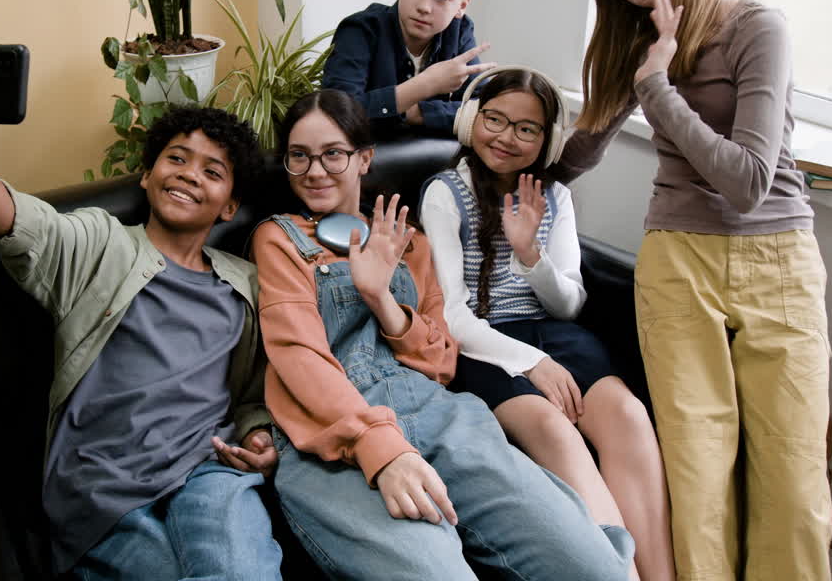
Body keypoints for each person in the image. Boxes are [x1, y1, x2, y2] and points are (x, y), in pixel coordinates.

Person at [0, 33, 283, 580]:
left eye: (212, 171)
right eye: (177, 158)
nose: (189, 173)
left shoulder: (248, 286)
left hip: (210, 469)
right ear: (146, 174)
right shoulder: (100, 244)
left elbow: (258, 389)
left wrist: (258, 432)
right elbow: (20, 221)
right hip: (105, 489)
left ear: (230, 204)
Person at [250, 88, 634, 580]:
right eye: (298, 157)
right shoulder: (279, 238)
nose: (315, 170)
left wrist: (381, 298)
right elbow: (299, 357)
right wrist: (382, 450)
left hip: (442, 417)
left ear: (365, 159)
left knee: (594, 569)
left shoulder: (412, 245)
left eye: (333, 154)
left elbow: (441, 362)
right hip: (329, 435)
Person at [567, 0, 832, 580]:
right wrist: (497, 159)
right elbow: (581, 150)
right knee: (697, 465)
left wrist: (657, 84)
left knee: (794, 472)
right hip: (677, 260)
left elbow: (746, 181)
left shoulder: (757, 27)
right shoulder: (638, 47)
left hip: (777, 256)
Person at [420, 66, 676, 581]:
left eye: (526, 128)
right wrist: (532, 364)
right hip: (483, 346)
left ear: (546, 140)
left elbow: (570, 305)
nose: (506, 137)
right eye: (494, 119)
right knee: (555, 432)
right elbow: (451, 315)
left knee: (628, 415)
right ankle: (618, 574)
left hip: (555, 333)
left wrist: (530, 253)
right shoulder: (444, 193)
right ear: (471, 119)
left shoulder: (554, 197)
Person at [321, 0, 496, 138]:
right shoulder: (360, 30)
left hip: (430, 161)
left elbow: (487, 114)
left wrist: (419, 113)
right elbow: (336, 116)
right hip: (367, 160)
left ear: (462, 5)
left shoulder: (459, 32)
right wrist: (426, 85)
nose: (424, 7)